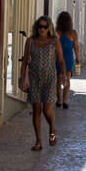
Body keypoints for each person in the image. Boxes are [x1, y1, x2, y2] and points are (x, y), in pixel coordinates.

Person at [21, 15, 66, 150]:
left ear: (49, 28)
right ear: (37, 27)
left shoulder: (54, 41)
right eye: (40, 26)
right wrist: (22, 77)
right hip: (34, 79)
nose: (42, 29)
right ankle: (38, 141)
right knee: (36, 109)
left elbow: (61, 60)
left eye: (45, 27)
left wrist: (63, 75)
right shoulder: (30, 41)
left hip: (50, 79)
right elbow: (25, 61)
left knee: (47, 109)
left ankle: (52, 127)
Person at [56, 11, 78, 108]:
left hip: (57, 58)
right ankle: (65, 101)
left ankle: (59, 100)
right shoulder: (73, 33)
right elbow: (76, 47)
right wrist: (77, 58)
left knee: (58, 80)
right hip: (69, 58)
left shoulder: (56, 32)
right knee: (67, 79)